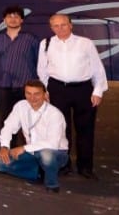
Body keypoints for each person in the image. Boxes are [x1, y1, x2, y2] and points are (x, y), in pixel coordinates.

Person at [38, 14, 107, 179]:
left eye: (63, 24)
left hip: (83, 90)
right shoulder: (46, 43)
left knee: (86, 129)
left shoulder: (85, 43)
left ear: (71, 25)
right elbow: (42, 69)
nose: (60, 28)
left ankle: (85, 167)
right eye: (55, 26)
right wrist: (45, 90)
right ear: (51, 28)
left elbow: (97, 68)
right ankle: (64, 165)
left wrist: (98, 91)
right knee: (60, 129)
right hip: (57, 89)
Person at [0, 80, 69, 193]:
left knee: (46, 155)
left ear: (45, 94)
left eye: (37, 94)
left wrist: (24, 148)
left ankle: (52, 184)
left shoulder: (54, 114)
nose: (32, 98)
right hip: (31, 152)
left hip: (56, 152)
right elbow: (8, 126)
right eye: (28, 93)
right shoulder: (21, 106)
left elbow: (52, 143)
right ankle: (37, 172)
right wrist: (4, 146)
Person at [0, 6, 40, 145]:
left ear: (22, 20)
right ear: (4, 20)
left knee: (28, 119)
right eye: (9, 16)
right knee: (6, 119)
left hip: (26, 86)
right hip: (4, 85)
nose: (13, 19)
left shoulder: (31, 39)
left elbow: (38, 61)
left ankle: (27, 150)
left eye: (16, 16)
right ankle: (6, 149)